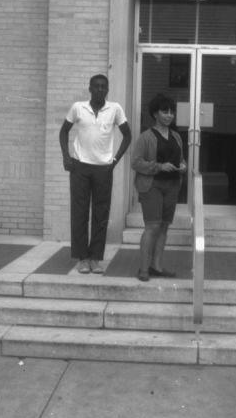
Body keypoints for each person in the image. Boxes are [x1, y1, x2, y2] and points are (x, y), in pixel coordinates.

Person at [59, 74, 131, 274]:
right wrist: (66, 157)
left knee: (101, 214)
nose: (100, 89)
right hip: (80, 166)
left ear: (107, 90)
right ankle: (82, 258)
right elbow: (63, 131)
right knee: (80, 213)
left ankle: (96, 258)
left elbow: (128, 135)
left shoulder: (115, 109)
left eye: (103, 87)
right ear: (89, 88)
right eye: (96, 86)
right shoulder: (78, 108)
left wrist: (114, 161)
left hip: (103, 169)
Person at [131, 94, 187, 282]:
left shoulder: (177, 136)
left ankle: (157, 266)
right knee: (152, 226)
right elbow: (136, 162)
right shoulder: (146, 136)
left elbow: (180, 159)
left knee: (163, 227)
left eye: (172, 112)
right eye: (165, 112)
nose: (169, 115)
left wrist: (183, 166)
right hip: (152, 185)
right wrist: (158, 166)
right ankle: (144, 268)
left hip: (172, 185)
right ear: (155, 114)